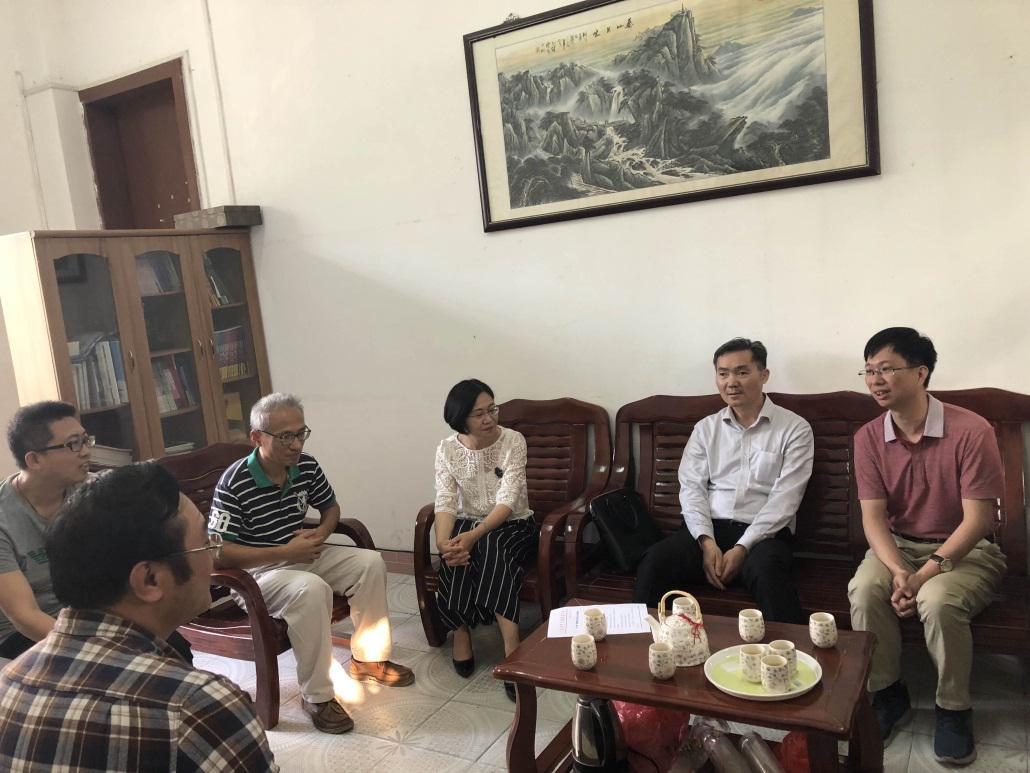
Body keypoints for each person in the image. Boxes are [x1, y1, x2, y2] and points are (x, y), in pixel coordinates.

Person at [0, 462, 277, 771]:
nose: (212, 556)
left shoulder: (8, 686)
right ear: (150, 579)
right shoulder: (196, 709)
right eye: (204, 544)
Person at [209, 392, 413, 735]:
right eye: (285, 436)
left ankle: (369, 659)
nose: (296, 444)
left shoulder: (306, 465)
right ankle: (317, 697)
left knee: (370, 563)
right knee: (311, 589)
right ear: (257, 437)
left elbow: (330, 507)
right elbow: (219, 553)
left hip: (301, 555)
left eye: (301, 433)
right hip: (258, 575)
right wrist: (284, 552)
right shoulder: (234, 482)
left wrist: (321, 532)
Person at [847, 328, 1006, 766]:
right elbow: (873, 519)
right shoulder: (868, 437)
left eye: (886, 369)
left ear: (921, 373)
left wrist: (923, 575)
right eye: (869, 371)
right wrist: (900, 571)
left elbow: (978, 521)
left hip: (967, 551)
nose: (875, 380)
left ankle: (953, 709)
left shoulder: (971, 430)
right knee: (865, 590)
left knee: (936, 601)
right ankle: (886, 693)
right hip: (898, 546)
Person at [633, 338, 813, 624]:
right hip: (708, 530)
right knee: (655, 560)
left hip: (764, 536)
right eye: (723, 373)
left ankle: (787, 649)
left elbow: (785, 499)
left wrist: (742, 547)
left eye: (742, 372)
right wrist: (706, 543)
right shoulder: (706, 429)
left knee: (767, 572)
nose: (731, 382)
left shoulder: (794, 429)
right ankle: (641, 640)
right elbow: (691, 489)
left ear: (764, 375)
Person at [0, 401, 192, 662]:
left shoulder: (90, 493)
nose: (86, 451)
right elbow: (25, 616)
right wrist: (101, 649)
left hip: (87, 614)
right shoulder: (4, 518)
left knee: (174, 647)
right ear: (34, 459)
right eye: (73, 444)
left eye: (85, 440)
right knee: (119, 666)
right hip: (26, 635)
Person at [433, 379, 537, 701]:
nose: (489, 418)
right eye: (479, 413)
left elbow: (508, 500)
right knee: (454, 546)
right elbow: (445, 500)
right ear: (460, 417)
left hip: (515, 525)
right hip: (469, 523)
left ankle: (512, 647)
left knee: (488, 544)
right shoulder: (447, 449)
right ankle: (461, 632)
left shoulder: (513, 441)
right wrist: (443, 543)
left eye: (492, 409)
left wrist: (473, 536)